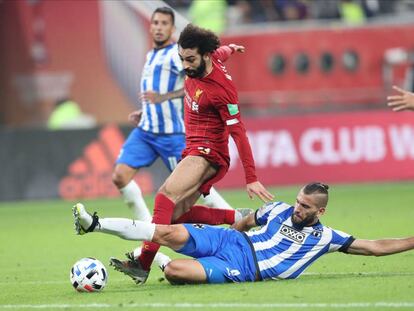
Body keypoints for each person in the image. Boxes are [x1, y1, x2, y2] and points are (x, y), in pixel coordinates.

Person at [109, 23, 274, 284]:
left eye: (190, 59)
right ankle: (240, 217)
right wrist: (232, 47)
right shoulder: (209, 58)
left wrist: (251, 177)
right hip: (193, 148)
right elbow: (223, 52)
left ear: (204, 56)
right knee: (174, 217)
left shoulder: (221, 90)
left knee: (164, 197)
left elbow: (239, 133)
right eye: (181, 58)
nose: (185, 65)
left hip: (208, 153)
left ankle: (143, 263)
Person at [73, 181, 414, 284]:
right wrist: (221, 236)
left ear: (320, 212)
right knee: (165, 231)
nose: (298, 208)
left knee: (176, 271)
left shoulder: (327, 238)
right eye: (298, 202)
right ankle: (95, 225)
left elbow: (375, 246)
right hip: (230, 240)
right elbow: (245, 221)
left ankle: (158, 261)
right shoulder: (278, 209)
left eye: (306, 207)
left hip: (246, 267)